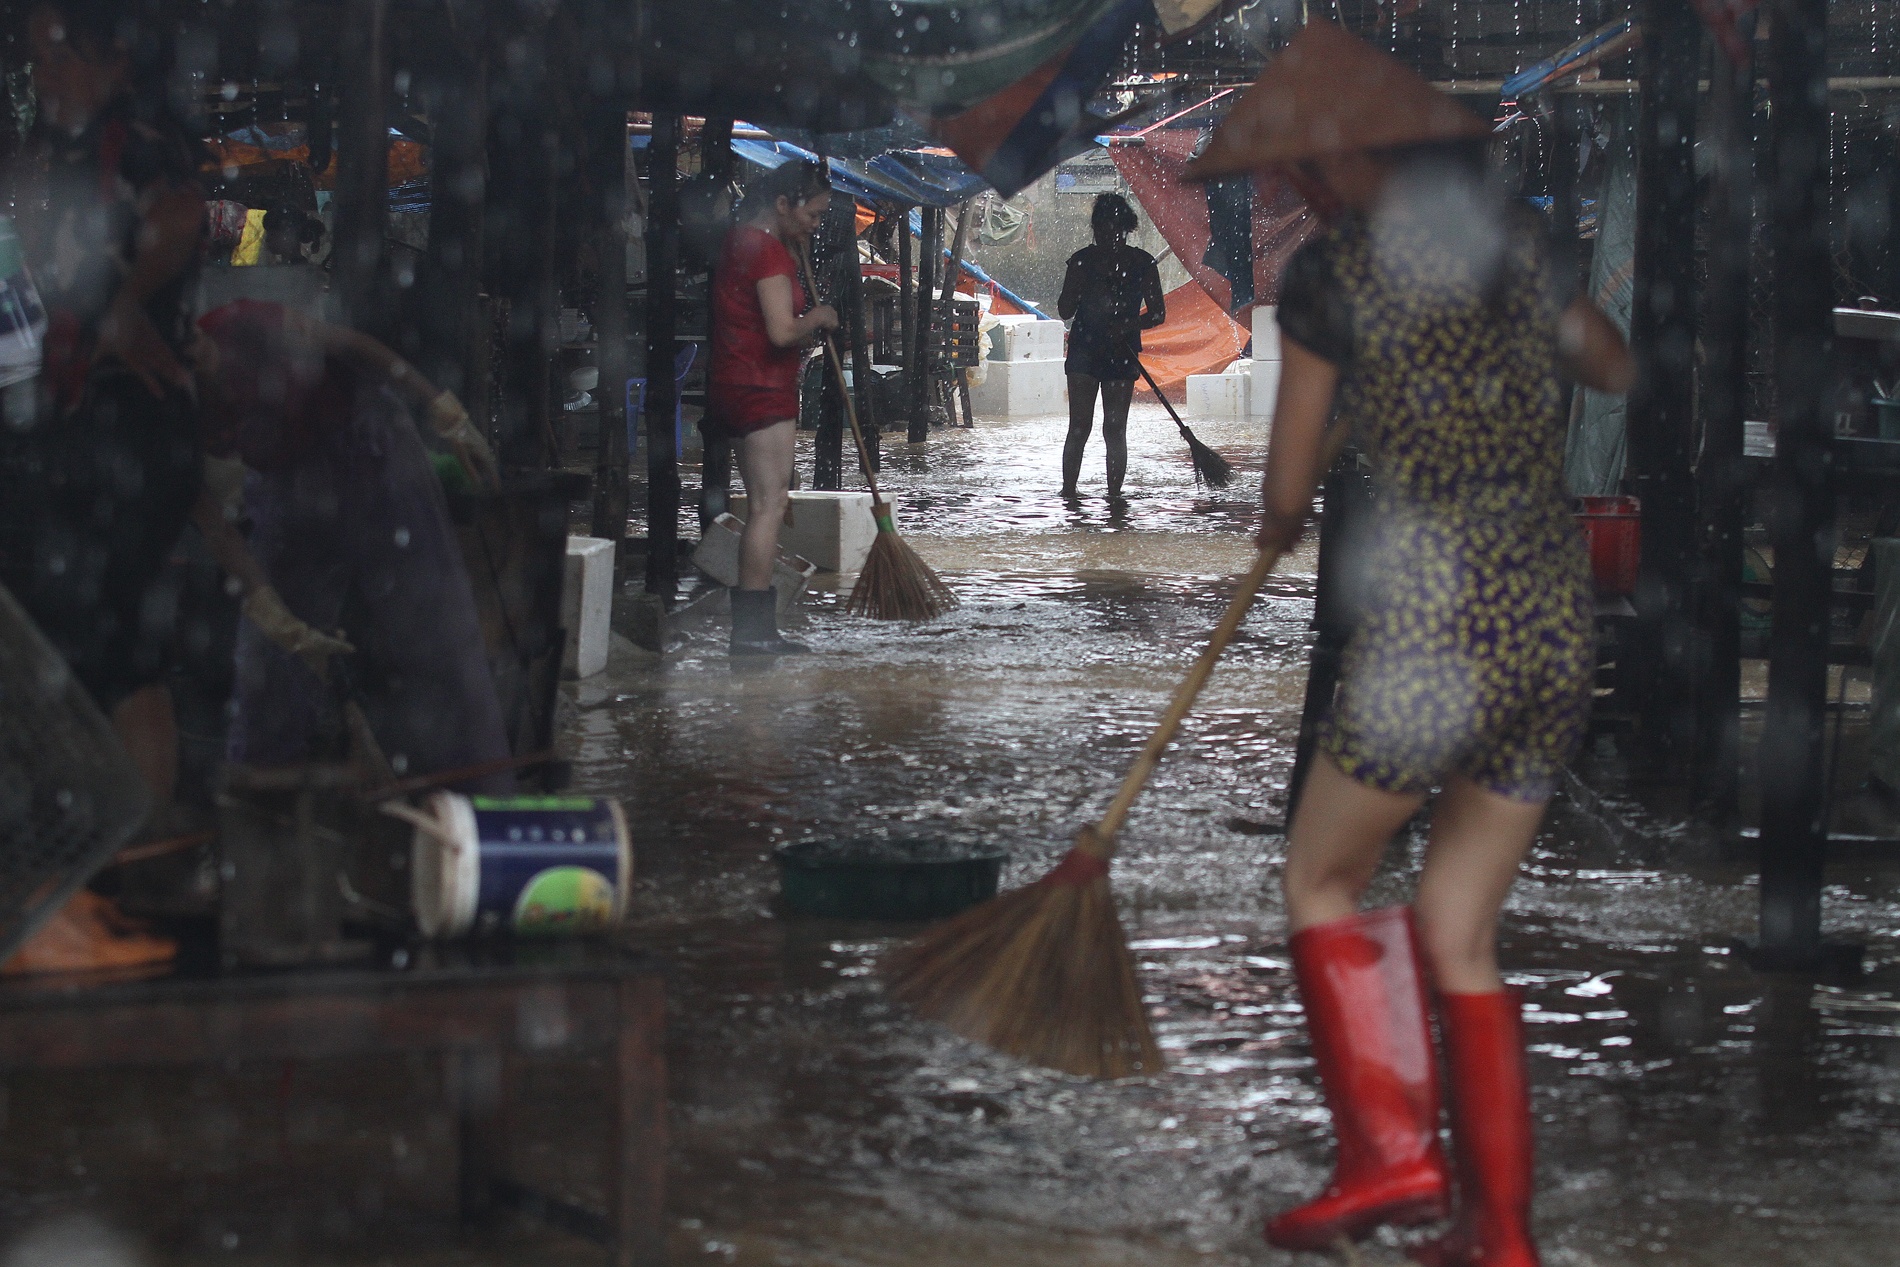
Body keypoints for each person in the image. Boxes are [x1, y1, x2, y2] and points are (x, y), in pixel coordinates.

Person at [1186, 23, 1633, 1267]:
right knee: (1457, 927)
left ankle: (1391, 1157)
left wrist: (1293, 497)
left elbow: (1282, 495)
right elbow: (1607, 361)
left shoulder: (1332, 279)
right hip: (1548, 624)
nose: (1290, 194)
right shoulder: (1510, 241)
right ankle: (1498, 1234)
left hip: (1436, 629)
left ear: (1330, 166)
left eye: (1296, 175)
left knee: (1320, 879)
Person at [0, 0, 206, 806]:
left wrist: (127, 302)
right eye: (38, 61)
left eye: (64, 56)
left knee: (119, 649)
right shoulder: (44, 157)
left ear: (115, 61)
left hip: (135, 427)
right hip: (67, 428)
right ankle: (99, 852)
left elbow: (183, 210)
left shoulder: (136, 140)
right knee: (79, 642)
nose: (48, 76)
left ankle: (140, 858)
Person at [191, 298, 510, 790]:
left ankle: (476, 801)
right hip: (285, 483)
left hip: (369, 446)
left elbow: (355, 347)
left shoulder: (243, 325)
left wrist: (444, 412)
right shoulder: (163, 399)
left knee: (438, 638)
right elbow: (211, 521)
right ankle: (262, 811)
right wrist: (278, 619)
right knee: (270, 666)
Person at [707, 159, 838, 655]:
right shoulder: (768, 253)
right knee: (768, 506)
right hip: (761, 388)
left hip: (732, 385)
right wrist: (818, 316)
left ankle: (754, 628)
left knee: (765, 501)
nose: (816, 225)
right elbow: (782, 330)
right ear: (784, 204)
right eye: (814, 214)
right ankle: (753, 632)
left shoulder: (740, 241)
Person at [1056, 193, 1164, 499]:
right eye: (1105, 231)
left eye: (1117, 232)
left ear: (1126, 230)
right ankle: (1069, 492)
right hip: (1085, 352)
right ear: (1095, 229)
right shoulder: (1081, 261)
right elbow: (1065, 310)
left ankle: (1113, 495)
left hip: (1119, 351)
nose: (1111, 238)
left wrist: (1129, 325)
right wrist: (1078, 289)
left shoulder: (1141, 263)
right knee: (1080, 427)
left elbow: (1158, 313)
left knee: (1114, 429)